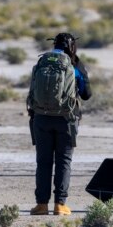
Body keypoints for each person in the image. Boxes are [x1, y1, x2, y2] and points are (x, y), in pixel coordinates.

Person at [27, 32, 92, 215]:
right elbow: (86, 94)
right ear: (72, 46)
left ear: (54, 44)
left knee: (43, 162)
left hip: (40, 118)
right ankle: (60, 204)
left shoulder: (42, 62)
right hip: (66, 120)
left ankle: (41, 205)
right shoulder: (74, 65)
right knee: (63, 161)